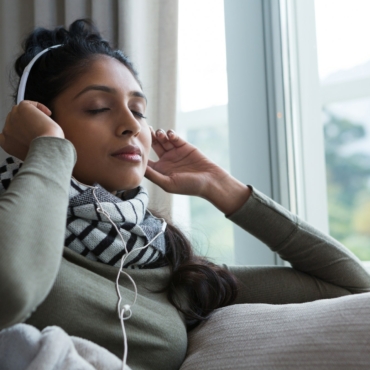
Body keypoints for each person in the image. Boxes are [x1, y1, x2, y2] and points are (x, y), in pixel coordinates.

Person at [0, 19, 369, 370]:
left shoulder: (165, 268)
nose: (131, 125)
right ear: (39, 120)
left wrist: (220, 186)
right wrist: (47, 148)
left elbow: (350, 286)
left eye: (139, 111)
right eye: (98, 107)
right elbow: (11, 290)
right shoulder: (12, 224)